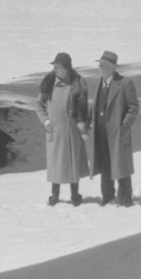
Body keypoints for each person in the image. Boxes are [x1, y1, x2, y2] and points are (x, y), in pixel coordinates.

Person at [37, 51, 90, 207]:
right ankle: (55, 194)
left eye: (58, 66)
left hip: (72, 130)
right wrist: (46, 122)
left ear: (66, 68)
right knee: (56, 164)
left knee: (73, 162)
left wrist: (83, 125)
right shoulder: (49, 83)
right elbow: (38, 105)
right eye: (54, 66)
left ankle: (75, 194)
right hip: (56, 130)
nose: (55, 69)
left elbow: (83, 107)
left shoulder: (78, 83)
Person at [92, 50, 139, 206]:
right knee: (105, 165)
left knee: (121, 165)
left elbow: (133, 107)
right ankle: (107, 197)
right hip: (101, 132)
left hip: (118, 132)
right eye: (100, 65)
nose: (101, 68)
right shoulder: (99, 82)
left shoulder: (125, 83)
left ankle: (126, 197)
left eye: (104, 65)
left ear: (113, 67)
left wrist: (125, 124)